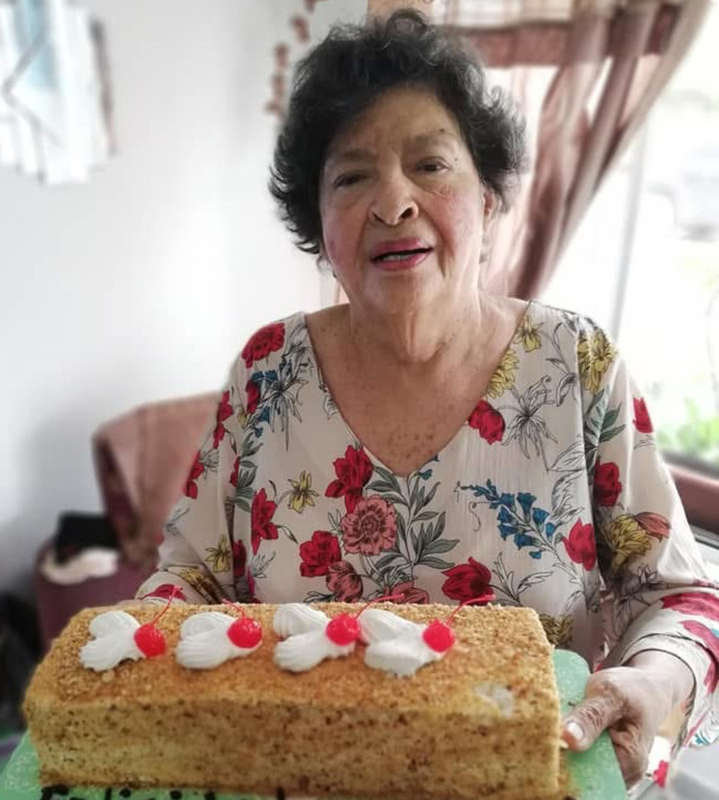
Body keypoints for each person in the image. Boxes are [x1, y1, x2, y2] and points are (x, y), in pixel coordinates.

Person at [136, 9, 719, 788]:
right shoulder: (266, 372)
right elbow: (190, 579)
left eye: (430, 164)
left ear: (488, 199)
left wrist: (655, 680)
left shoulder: (577, 365)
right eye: (351, 177)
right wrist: (134, 654)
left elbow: (683, 597)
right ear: (320, 227)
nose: (393, 203)